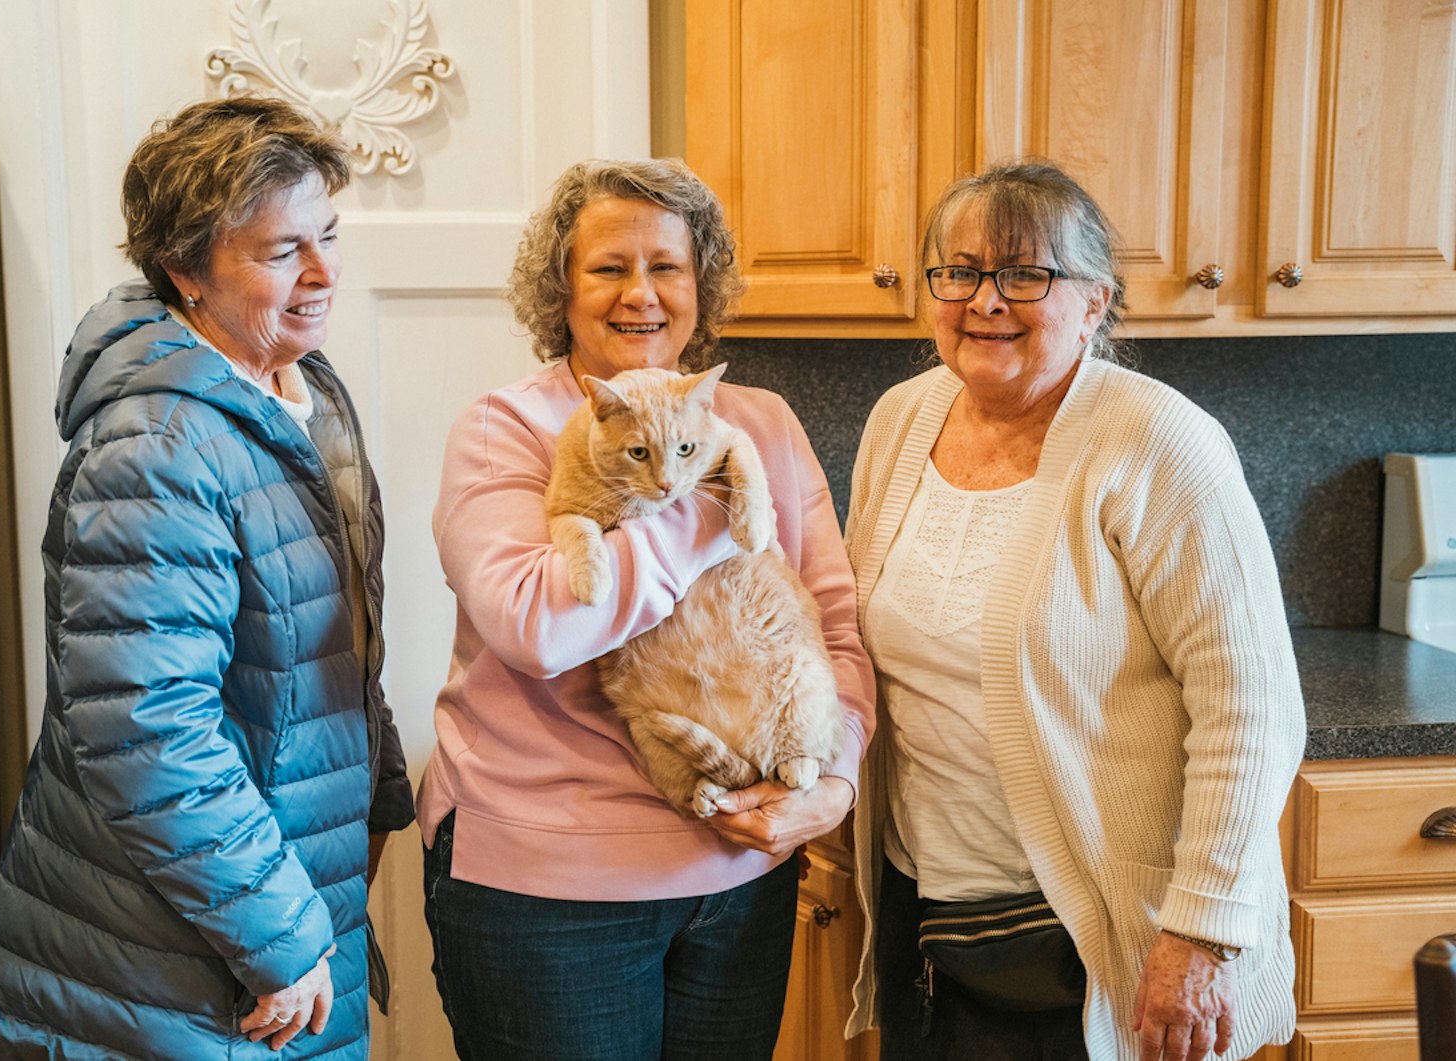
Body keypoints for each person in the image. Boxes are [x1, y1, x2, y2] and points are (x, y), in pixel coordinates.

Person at [0, 97, 414, 1059]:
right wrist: (282, 931)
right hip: (162, 960)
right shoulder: (160, 444)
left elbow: (336, 641)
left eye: (328, 235)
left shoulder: (301, 388)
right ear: (186, 271)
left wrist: (377, 800)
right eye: (281, 250)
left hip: (259, 897)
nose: (325, 275)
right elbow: (145, 727)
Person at [842, 161, 1306, 1061]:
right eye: (962, 271)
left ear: (1094, 302)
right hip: (931, 917)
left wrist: (1201, 930)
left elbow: (1251, 707)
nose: (986, 301)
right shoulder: (900, 419)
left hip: (1106, 935)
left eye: (1026, 275)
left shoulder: (1161, 442)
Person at [419, 158, 877, 1060]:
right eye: (609, 268)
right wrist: (700, 495)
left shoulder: (763, 423)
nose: (642, 294)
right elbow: (540, 627)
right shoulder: (504, 427)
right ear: (562, 288)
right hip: (547, 891)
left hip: (742, 873)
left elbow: (832, 623)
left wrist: (834, 780)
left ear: (701, 285)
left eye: (667, 266)